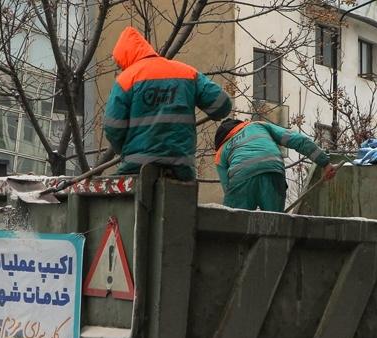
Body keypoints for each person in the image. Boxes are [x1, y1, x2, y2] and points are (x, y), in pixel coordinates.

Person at [104, 26, 232, 179]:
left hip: (137, 168)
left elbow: (112, 126)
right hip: (181, 167)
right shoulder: (187, 73)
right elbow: (222, 105)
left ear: (124, 57)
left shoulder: (126, 79)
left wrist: (123, 150)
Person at [213, 117, 337, 211]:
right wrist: (324, 163)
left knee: (235, 224)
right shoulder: (258, 125)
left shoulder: (220, 152)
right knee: (275, 226)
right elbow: (297, 140)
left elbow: (227, 188)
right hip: (273, 171)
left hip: (242, 177)